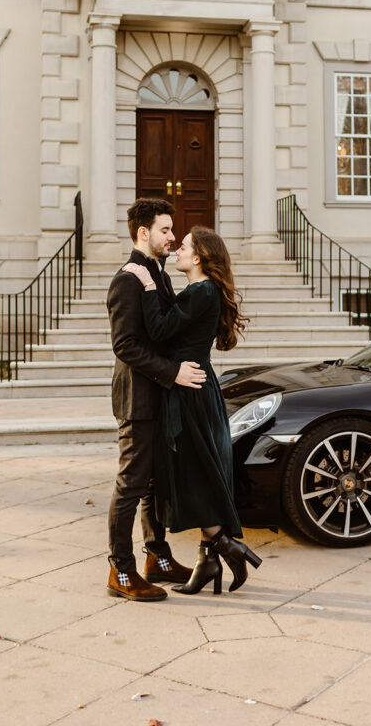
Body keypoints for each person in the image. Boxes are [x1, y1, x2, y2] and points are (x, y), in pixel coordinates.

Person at [122, 225, 262, 594]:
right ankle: (208, 561)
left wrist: (149, 285)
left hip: (190, 392)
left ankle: (225, 545)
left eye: (183, 246)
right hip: (193, 385)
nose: (177, 249)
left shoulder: (201, 292)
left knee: (194, 471)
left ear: (198, 257)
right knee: (199, 467)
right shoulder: (199, 291)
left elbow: (158, 329)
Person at [106, 198, 207, 602]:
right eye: (165, 230)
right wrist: (173, 372)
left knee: (153, 484)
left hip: (161, 397)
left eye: (172, 230)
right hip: (138, 399)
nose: (171, 237)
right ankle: (120, 570)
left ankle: (157, 557)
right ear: (143, 232)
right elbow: (125, 345)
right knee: (131, 485)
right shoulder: (128, 278)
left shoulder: (157, 275)